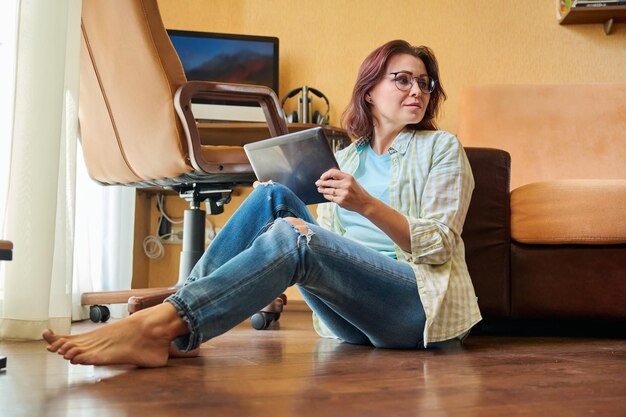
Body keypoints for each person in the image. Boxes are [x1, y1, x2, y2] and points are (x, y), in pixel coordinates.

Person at [43, 40, 481, 367]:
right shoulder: (344, 158)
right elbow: (325, 246)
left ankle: (163, 325)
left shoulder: (441, 148)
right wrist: (265, 220)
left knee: (295, 236)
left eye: (424, 83)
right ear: (369, 91)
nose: (417, 91)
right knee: (273, 198)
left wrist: (366, 204)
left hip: (415, 310)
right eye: (402, 79)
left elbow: (441, 245)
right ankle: (175, 317)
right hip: (350, 319)